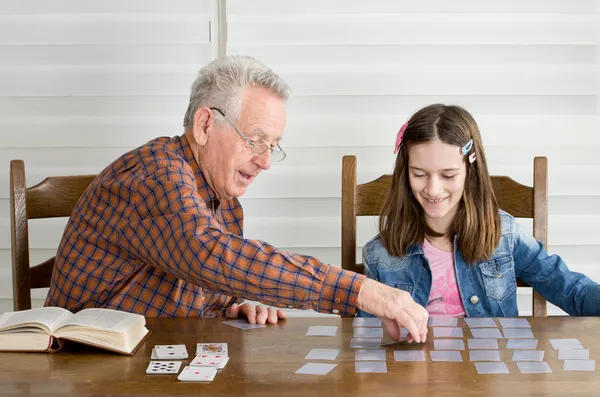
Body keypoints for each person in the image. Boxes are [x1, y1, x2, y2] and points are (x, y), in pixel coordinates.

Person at [45, 55, 428, 342]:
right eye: (255, 139)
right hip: (83, 365)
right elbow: (206, 255)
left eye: (273, 146)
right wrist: (358, 289)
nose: (264, 161)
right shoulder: (154, 175)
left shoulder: (223, 197)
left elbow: (212, 275)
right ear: (205, 124)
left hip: (159, 356)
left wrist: (233, 305)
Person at [358, 104, 600, 318]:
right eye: (419, 174)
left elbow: (569, 289)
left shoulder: (504, 234)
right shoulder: (380, 253)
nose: (433, 189)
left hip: (492, 367)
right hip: (415, 369)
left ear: (469, 172)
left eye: (448, 175)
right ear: (405, 174)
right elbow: (368, 339)